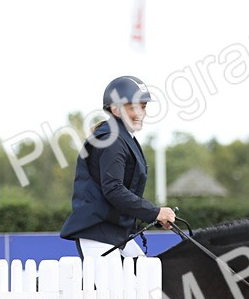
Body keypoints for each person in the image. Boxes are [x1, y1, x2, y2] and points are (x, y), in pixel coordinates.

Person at [61, 75, 176, 259]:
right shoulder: (111, 139)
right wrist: (154, 212)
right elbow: (114, 190)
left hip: (117, 234)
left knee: (147, 278)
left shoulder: (123, 137)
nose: (140, 113)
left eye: (144, 107)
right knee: (118, 286)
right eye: (134, 107)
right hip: (97, 235)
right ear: (115, 109)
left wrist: (154, 216)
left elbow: (125, 191)